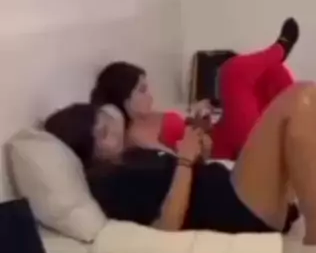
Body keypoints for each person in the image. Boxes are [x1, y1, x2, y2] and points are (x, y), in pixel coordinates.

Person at [44, 81, 316, 246]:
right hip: (236, 208)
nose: (113, 132)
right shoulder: (109, 184)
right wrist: (185, 161)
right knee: (301, 98)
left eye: (107, 125)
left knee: (313, 100)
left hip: (230, 189)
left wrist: (197, 151)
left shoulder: (127, 156)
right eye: (102, 134)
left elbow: (182, 180)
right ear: (86, 151)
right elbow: (167, 226)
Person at [90, 19, 300, 161]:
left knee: (271, 72)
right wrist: (198, 141)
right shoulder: (136, 138)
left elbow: (183, 132)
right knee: (232, 72)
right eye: (142, 90)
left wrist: (197, 123)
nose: (150, 95)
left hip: (219, 134)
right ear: (125, 99)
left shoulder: (146, 117)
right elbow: (179, 162)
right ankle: (279, 49)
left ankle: (297, 134)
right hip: (223, 150)